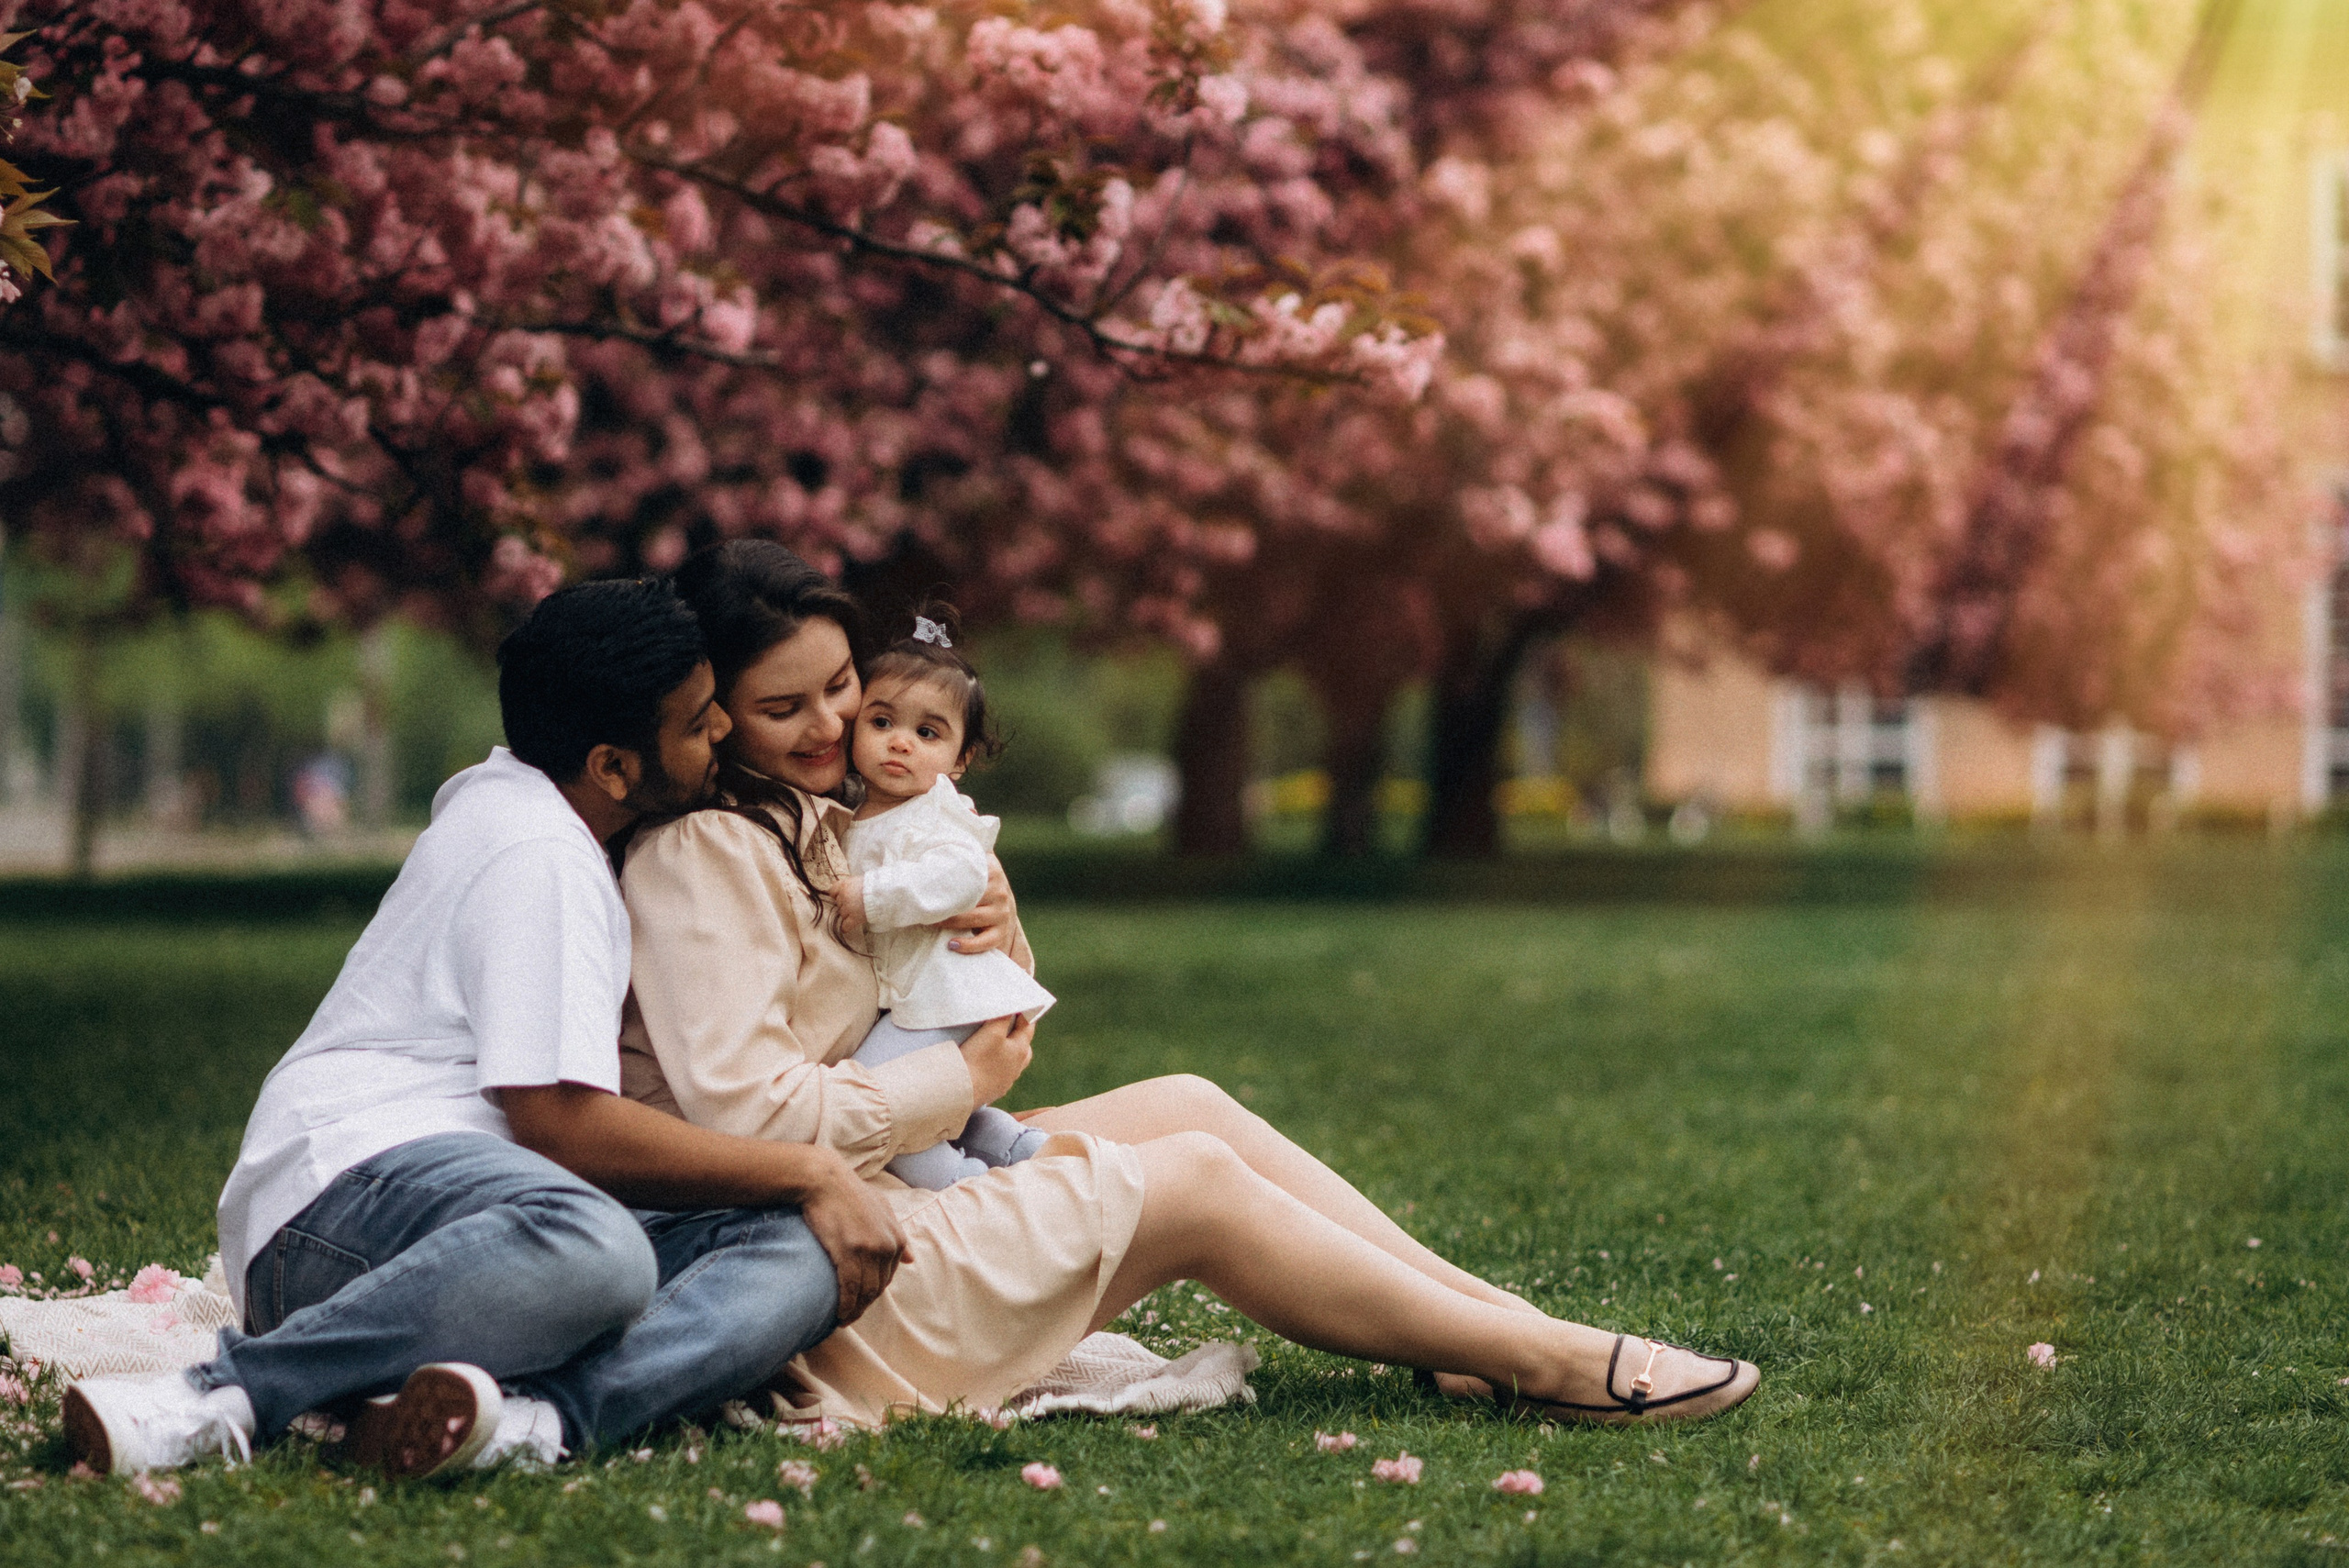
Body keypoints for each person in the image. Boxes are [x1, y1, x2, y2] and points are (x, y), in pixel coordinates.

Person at [619, 540, 1762, 1430]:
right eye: (784, 708)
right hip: (820, 1264)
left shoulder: (828, 818)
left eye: (840, 686)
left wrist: (996, 932)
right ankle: (1548, 1364)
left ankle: (1486, 1328)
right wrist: (957, 1081)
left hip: (887, 1174)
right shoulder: (701, 856)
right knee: (1196, 1181)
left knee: (1188, 1103)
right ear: (711, 715)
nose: (832, 724)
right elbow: (748, 1116)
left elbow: (935, 997)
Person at [62, 579, 907, 1479]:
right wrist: (812, 1166)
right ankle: (223, 1393)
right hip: (336, 1210)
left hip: (484, 1219)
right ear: (613, 767)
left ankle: (529, 1421)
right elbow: (562, 1127)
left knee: (801, 1249)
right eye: (699, 722)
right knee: (601, 1250)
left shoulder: (542, 811)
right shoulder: (539, 852)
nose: (726, 730)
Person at [836, 609, 1054, 1189]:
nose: (900, 742)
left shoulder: (935, 813)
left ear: (960, 760)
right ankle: (1007, 1143)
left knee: (883, 1099)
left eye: (927, 734)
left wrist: (872, 896)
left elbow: (961, 874)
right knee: (930, 1094)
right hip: (917, 993)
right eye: (882, 721)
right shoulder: (856, 810)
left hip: (945, 991)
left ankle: (965, 1185)